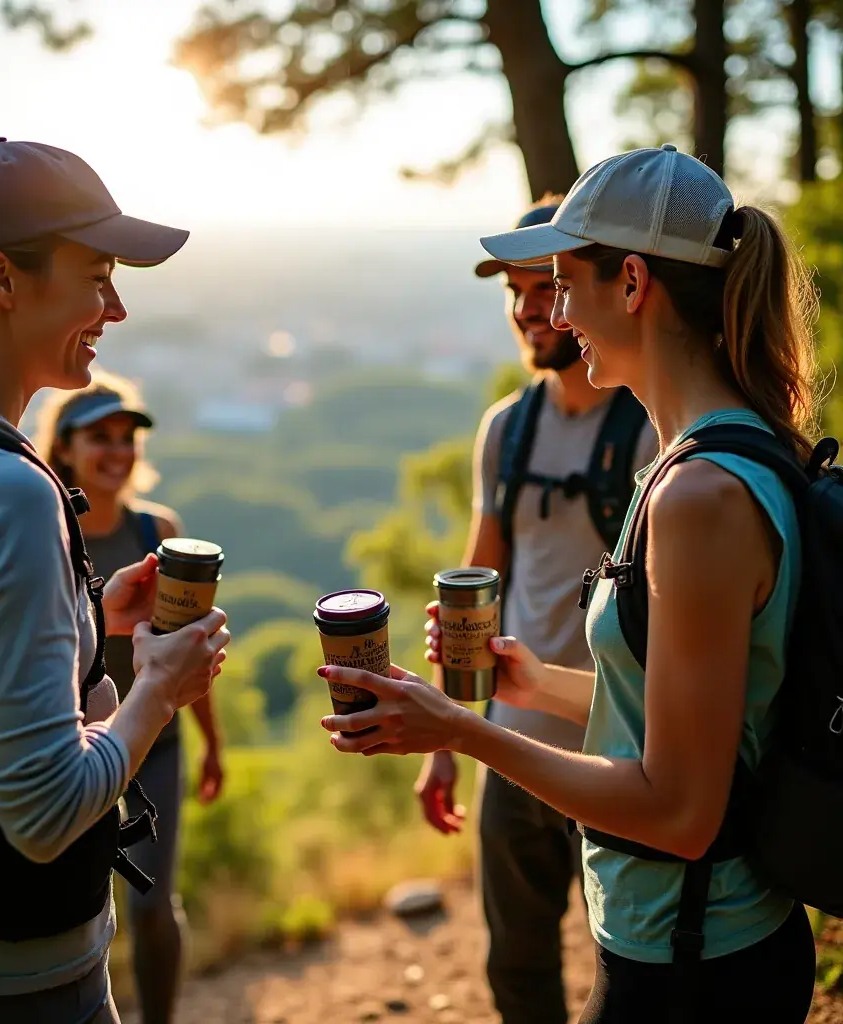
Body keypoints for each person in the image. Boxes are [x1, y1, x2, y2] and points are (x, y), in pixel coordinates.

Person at [318, 144, 819, 1023]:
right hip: (688, 941)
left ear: (630, 282)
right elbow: (686, 715)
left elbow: (680, 811)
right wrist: (531, 681)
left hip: (695, 960)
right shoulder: (701, 460)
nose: (554, 309)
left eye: (561, 280)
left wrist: (464, 736)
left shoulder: (700, 493)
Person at [0, 104, 230, 1024]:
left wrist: (89, 621)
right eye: (96, 278)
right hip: (27, 980)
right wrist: (157, 692)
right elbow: (45, 811)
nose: (117, 308)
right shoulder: (4, 492)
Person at [414, 196, 656, 1024]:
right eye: (513, 291)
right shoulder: (505, 429)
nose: (526, 309)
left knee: (624, 971)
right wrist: (447, 735)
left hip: (621, 751)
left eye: (543, 286)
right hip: (511, 747)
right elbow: (479, 581)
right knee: (516, 964)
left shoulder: (653, 429)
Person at [35, 371, 224, 1024]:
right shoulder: (50, 529)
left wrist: (213, 745)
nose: (118, 451)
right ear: (64, 448)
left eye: (127, 437)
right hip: (69, 743)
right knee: (76, 905)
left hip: (159, 745)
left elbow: (188, 650)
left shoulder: (158, 531)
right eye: (100, 438)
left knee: (150, 903)